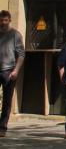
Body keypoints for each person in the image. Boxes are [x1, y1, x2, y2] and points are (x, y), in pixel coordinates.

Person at [0, 10, 25, 139]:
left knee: (7, 101)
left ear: (9, 20)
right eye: (1, 20)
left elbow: (21, 54)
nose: (3, 23)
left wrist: (16, 70)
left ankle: (2, 127)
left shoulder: (15, 35)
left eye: (5, 20)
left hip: (9, 70)